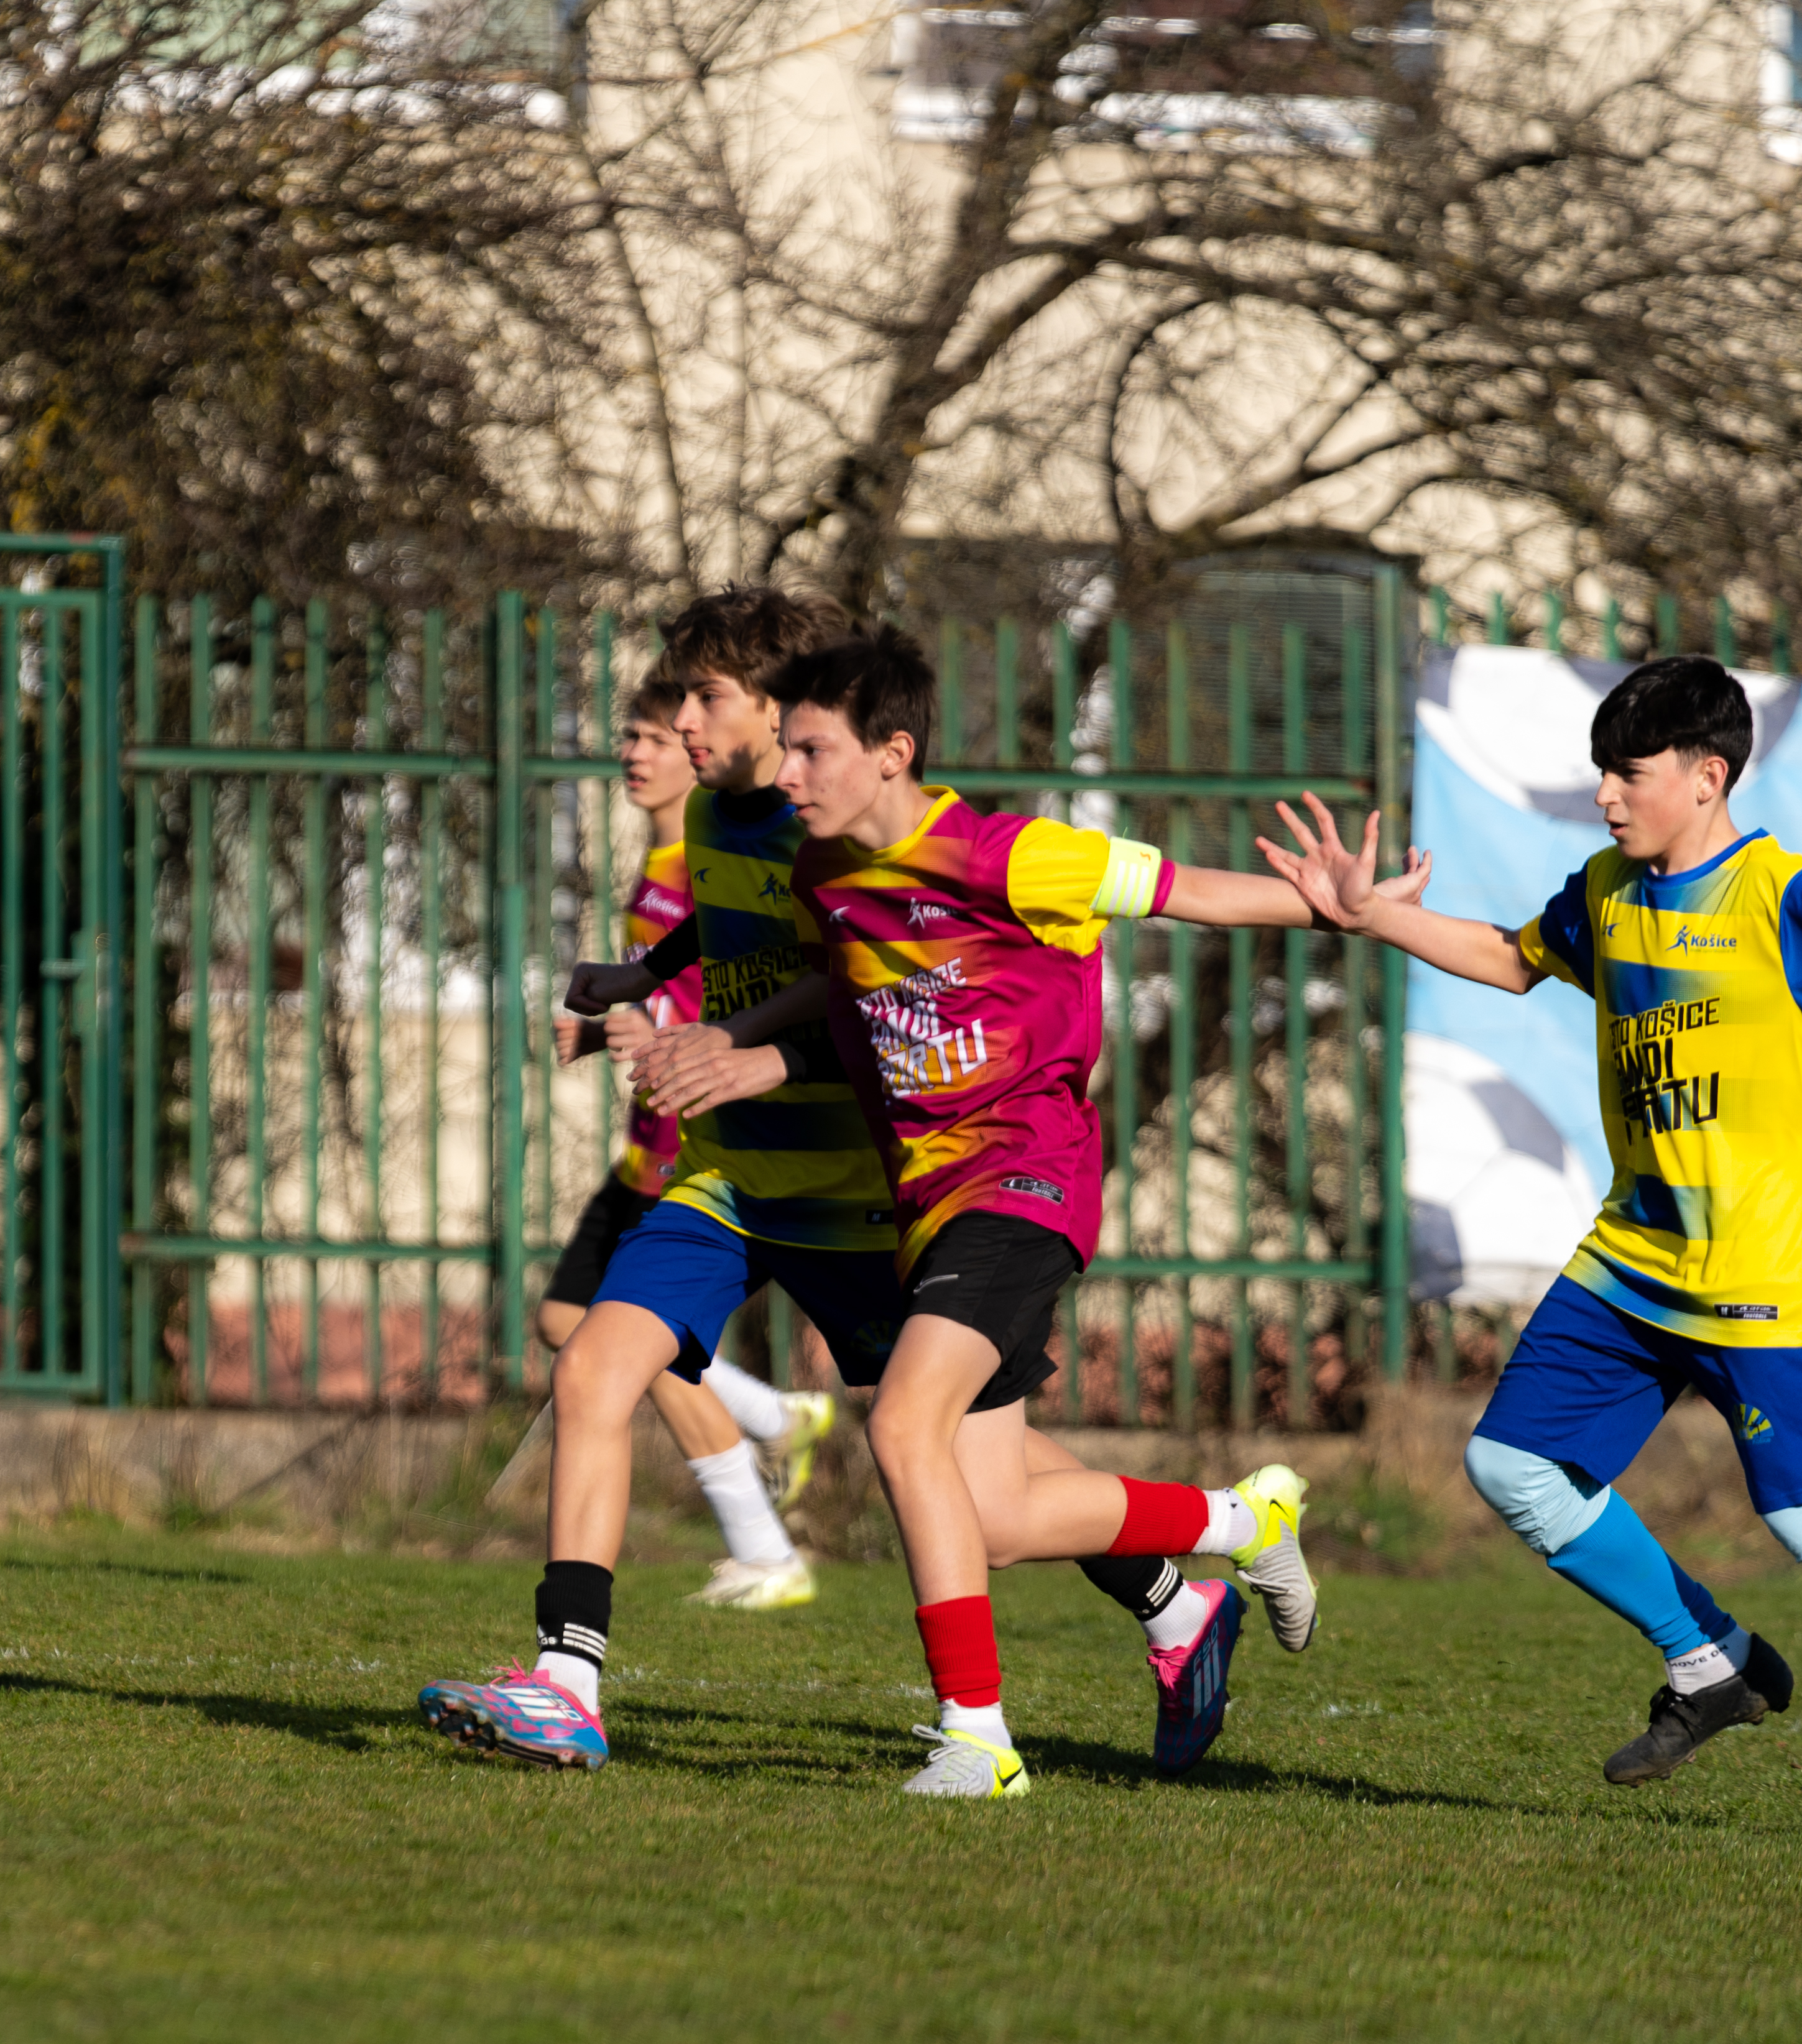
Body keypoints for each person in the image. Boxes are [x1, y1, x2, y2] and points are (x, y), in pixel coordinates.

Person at [1260, 654, 1802, 1846]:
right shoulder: (1607, 891)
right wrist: (1374, 912)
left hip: (1755, 1282)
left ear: (1706, 777)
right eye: (1600, 773)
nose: (1605, 796)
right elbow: (1509, 957)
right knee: (1514, 1468)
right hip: (1632, 1261)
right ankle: (1711, 1662)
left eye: (1627, 774)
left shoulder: (1784, 896)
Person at [417, 588, 1233, 1779]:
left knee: (968, 1468)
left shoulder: (841, 829)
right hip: (729, 1182)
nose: (684, 722)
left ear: (781, 710)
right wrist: (647, 975)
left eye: (708, 700)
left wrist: (750, 1053)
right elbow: (733, 931)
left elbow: (866, 988)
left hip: (858, 1194)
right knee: (594, 1363)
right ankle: (566, 1683)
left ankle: (1176, 1586)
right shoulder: (715, 814)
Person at [636, 628, 1318, 1795]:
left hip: (1026, 1182)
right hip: (927, 1204)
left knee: (903, 1429)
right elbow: (843, 1006)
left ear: (893, 753)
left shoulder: (1014, 857)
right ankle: (1236, 1522)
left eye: (811, 750)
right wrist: (736, 1043)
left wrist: (1340, 905)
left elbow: (1192, 892)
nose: (786, 774)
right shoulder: (824, 873)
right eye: (785, 750)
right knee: (992, 1514)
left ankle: (977, 1741)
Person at [545, 674, 841, 1609]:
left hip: (721, 1144)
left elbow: (791, 978)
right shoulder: (688, 849)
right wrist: (625, 1011)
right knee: (584, 1338)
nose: (646, 747)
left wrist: (651, 1026)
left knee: (947, 1426)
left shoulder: (757, 842)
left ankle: (769, 1504)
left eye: (661, 732)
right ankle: (768, 1440)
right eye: (632, 734)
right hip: (670, 1136)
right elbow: (696, 973)